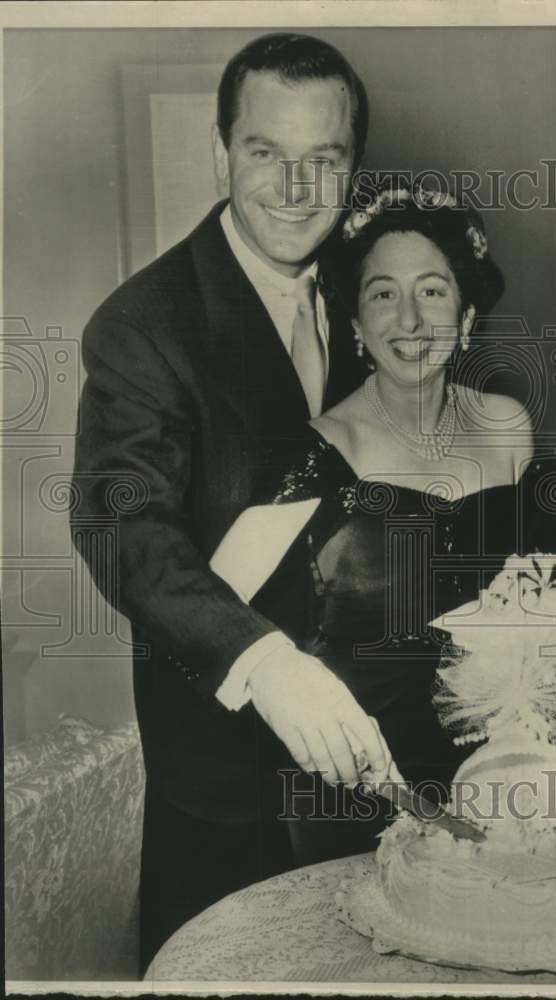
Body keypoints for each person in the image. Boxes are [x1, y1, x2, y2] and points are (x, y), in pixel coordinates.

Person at [71, 33, 393, 972]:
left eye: (323, 160)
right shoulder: (143, 324)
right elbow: (119, 520)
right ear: (221, 150)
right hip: (226, 785)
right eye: (266, 154)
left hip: (373, 762)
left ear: (354, 165)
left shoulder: (365, 282)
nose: (296, 190)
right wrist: (265, 661)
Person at [209, 186, 556, 864]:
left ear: (465, 313)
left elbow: (535, 593)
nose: (409, 318)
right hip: (357, 789)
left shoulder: (508, 426)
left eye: (431, 291)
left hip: (493, 777)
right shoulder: (319, 448)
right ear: (355, 323)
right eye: (382, 294)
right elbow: (211, 614)